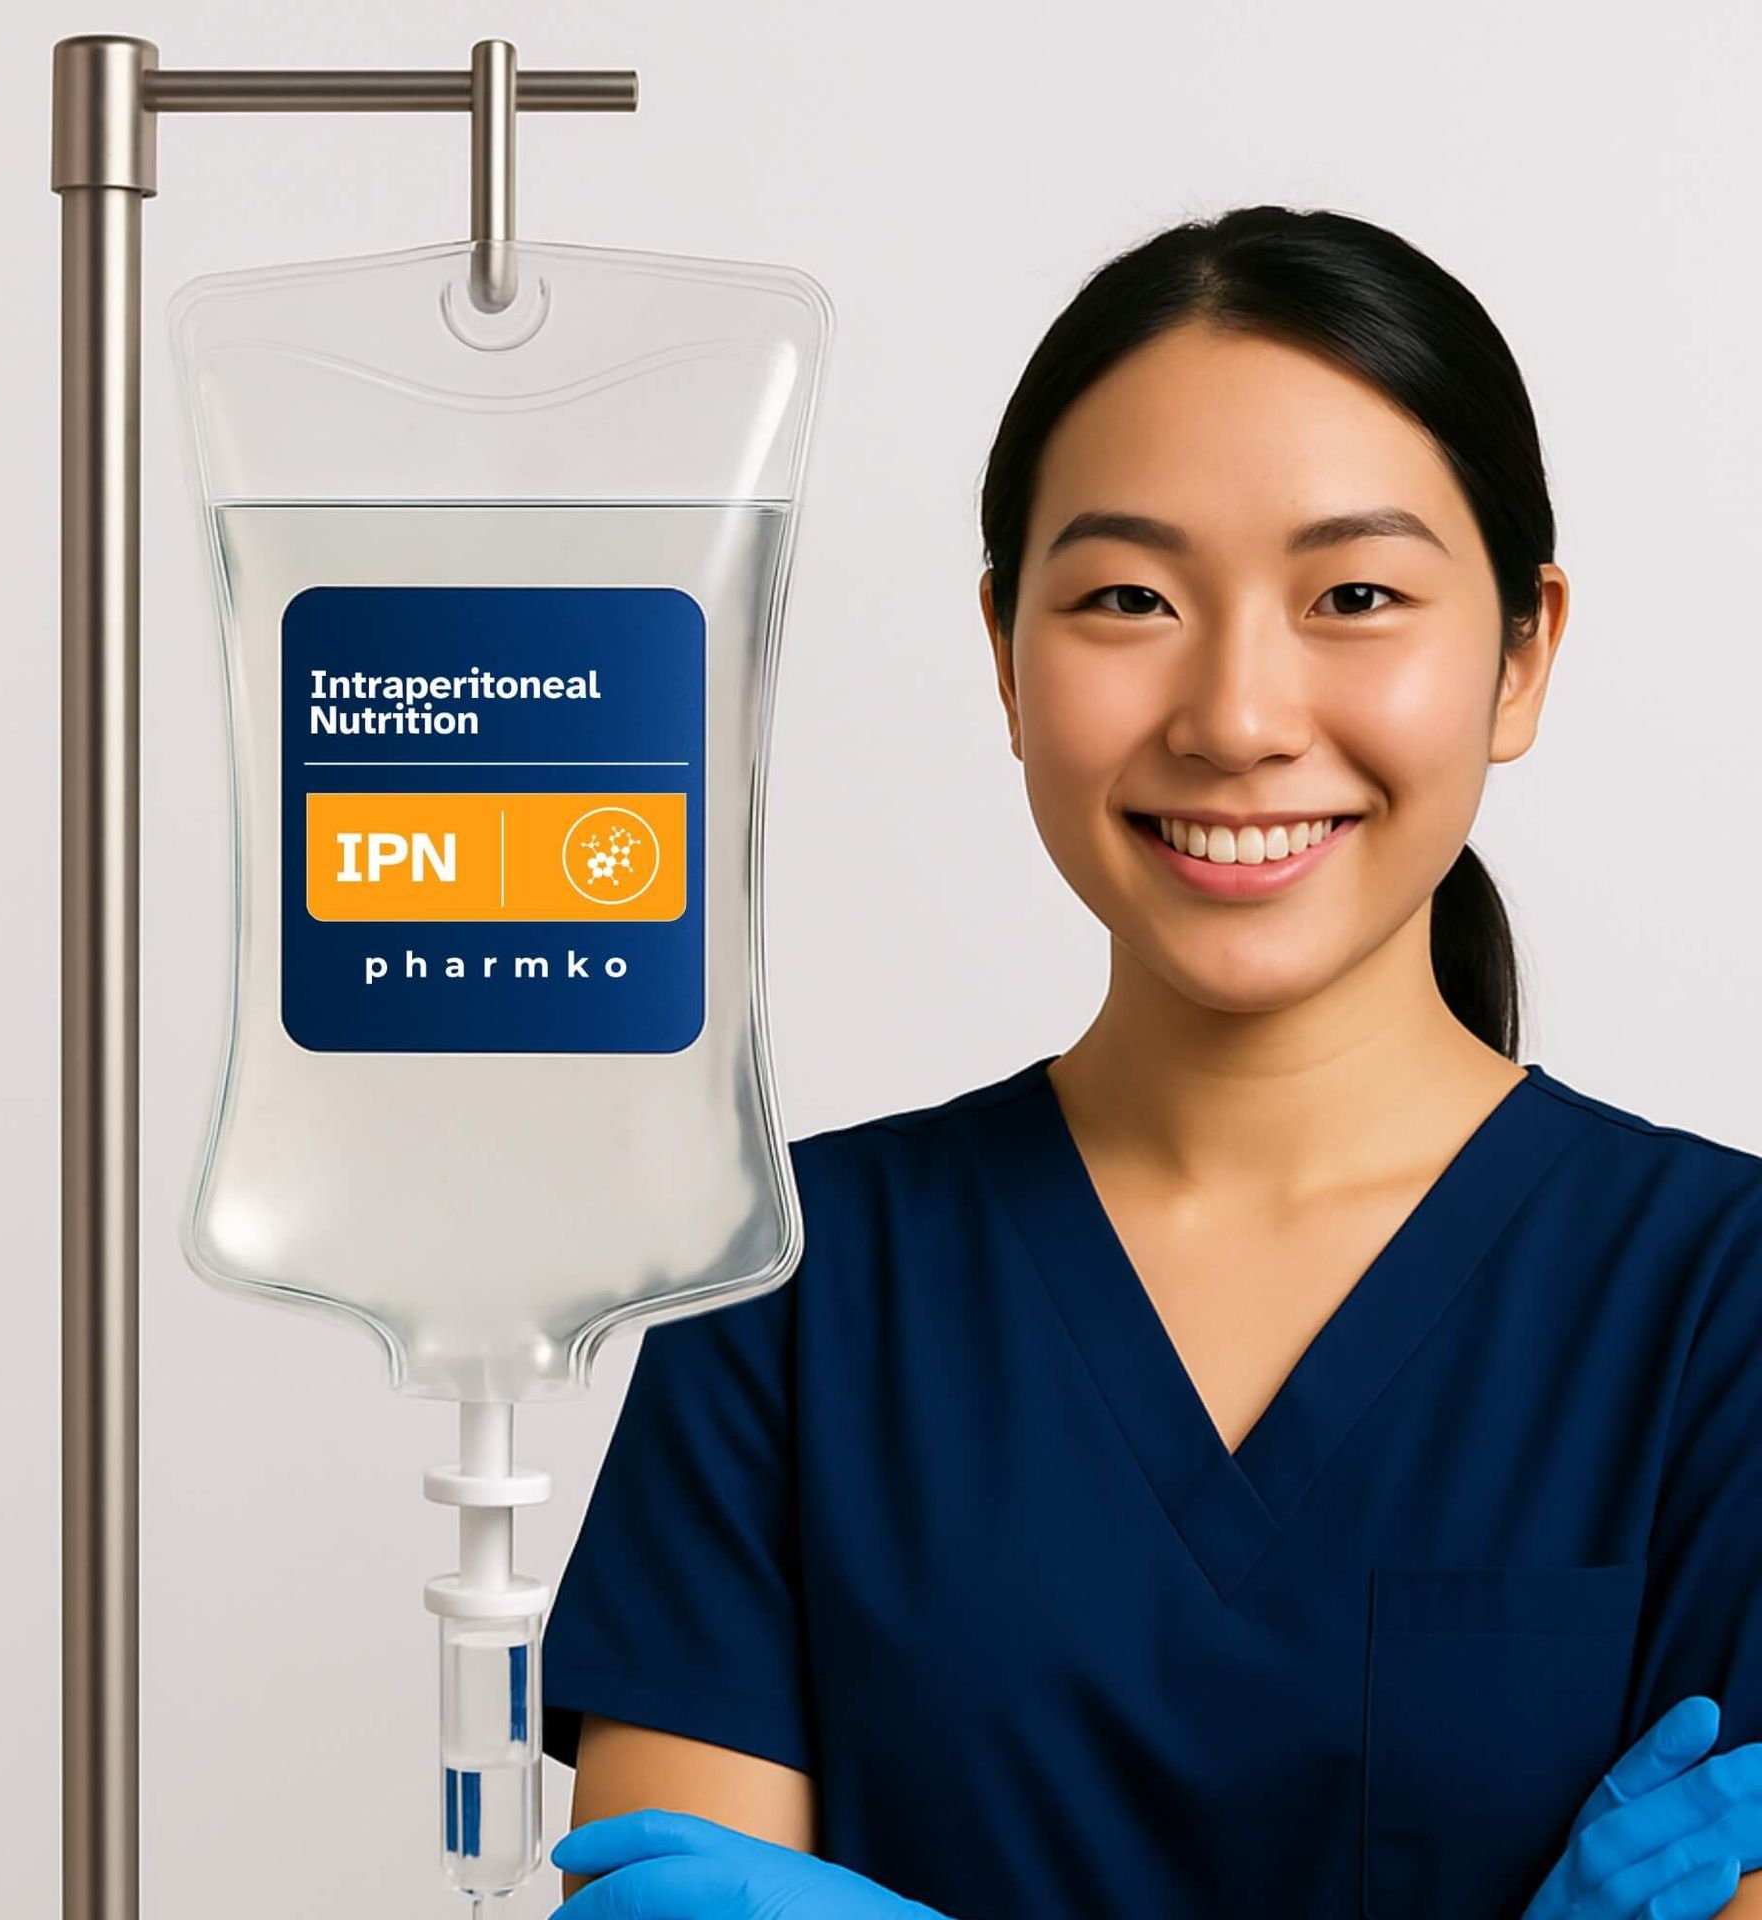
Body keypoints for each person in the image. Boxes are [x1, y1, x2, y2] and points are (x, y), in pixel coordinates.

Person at [536, 205, 1762, 1917]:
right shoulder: (787, 1290)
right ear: (1004, 655)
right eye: (1127, 596)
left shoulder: (1723, 1307)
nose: (1237, 714)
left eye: (1354, 593)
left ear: (1523, 651)